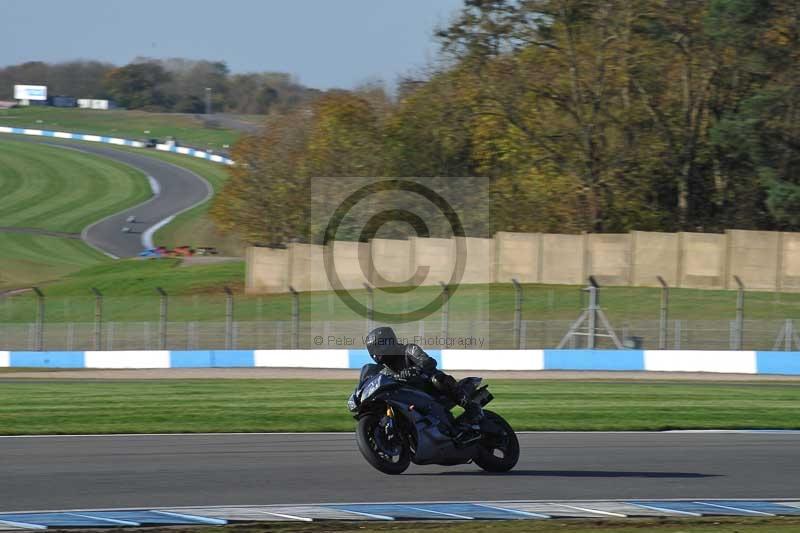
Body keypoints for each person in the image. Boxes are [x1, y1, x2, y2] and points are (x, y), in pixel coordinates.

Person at [364, 326, 483, 443]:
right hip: (413, 397)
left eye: (377, 347)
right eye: (372, 350)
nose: (375, 353)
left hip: (431, 389)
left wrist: (415, 369)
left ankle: (472, 408)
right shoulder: (384, 371)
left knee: (437, 379)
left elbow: (429, 362)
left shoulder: (409, 350)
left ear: (387, 342)